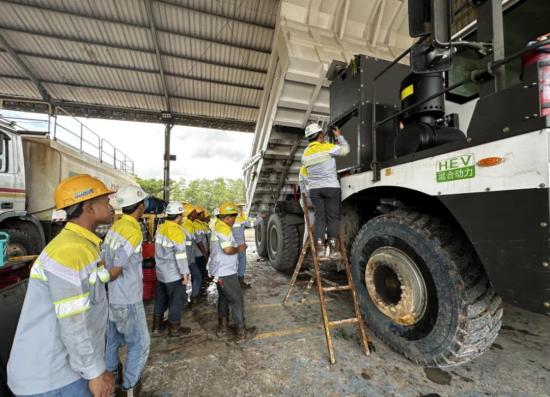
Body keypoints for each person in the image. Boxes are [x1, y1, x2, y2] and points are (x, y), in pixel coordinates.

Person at [7, 174, 115, 397]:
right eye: (105, 202)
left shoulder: (81, 245)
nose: (112, 207)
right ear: (89, 207)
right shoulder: (70, 251)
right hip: (53, 379)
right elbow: (74, 321)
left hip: (66, 370)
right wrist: (95, 372)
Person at [102, 185, 150, 396]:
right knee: (139, 343)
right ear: (140, 205)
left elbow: (104, 260)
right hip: (127, 297)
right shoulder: (132, 230)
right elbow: (116, 269)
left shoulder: (116, 227)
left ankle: (110, 384)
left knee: (111, 342)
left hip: (111, 296)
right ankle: (130, 388)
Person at [301, 123, 349, 259]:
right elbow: (345, 150)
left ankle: (320, 249)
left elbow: (305, 170)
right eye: (322, 133)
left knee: (319, 218)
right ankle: (333, 250)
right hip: (331, 188)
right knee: (333, 217)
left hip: (315, 190)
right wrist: (339, 137)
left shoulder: (305, 153)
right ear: (320, 135)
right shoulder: (327, 147)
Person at [210, 202, 257, 341]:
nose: (234, 220)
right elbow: (228, 250)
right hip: (225, 272)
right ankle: (241, 332)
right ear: (227, 217)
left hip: (219, 270)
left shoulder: (218, 226)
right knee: (237, 300)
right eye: (233, 217)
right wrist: (239, 249)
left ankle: (223, 328)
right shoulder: (223, 229)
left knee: (223, 299)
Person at [152, 201, 191, 337]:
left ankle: (157, 326)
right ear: (179, 216)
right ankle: (174, 329)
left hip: (161, 272)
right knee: (176, 300)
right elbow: (180, 256)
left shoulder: (160, 228)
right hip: (173, 274)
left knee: (161, 299)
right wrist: (185, 274)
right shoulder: (176, 232)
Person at [232, 203, 262, 289]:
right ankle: (240, 282)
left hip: (231, 247)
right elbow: (252, 224)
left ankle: (233, 283)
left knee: (233, 264)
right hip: (240, 246)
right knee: (242, 263)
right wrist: (261, 218)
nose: (241, 210)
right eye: (240, 209)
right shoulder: (240, 220)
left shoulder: (227, 220)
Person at [181, 203, 203, 306]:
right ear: (190, 214)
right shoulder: (188, 226)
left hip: (187, 258)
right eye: (194, 212)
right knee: (197, 276)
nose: (196, 214)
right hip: (188, 259)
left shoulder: (187, 225)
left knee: (185, 279)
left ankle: (185, 300)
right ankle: (193, 298)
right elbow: (188, 246)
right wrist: (188, 262)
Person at [192, 206, 210, 295]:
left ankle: (199, 290)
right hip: (198, 254)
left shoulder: (199, 224)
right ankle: (197, 292)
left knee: (200, 272)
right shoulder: (196, 225)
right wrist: (205, 253)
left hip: (200, 253)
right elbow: (199, 241)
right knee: (198, 273)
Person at [298, 165, 315, 245]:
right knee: (309, 231)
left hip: (310, 201)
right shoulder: (305, 169)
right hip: (309, 202)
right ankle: (307, 252)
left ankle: (311, 251)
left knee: (310, 230)